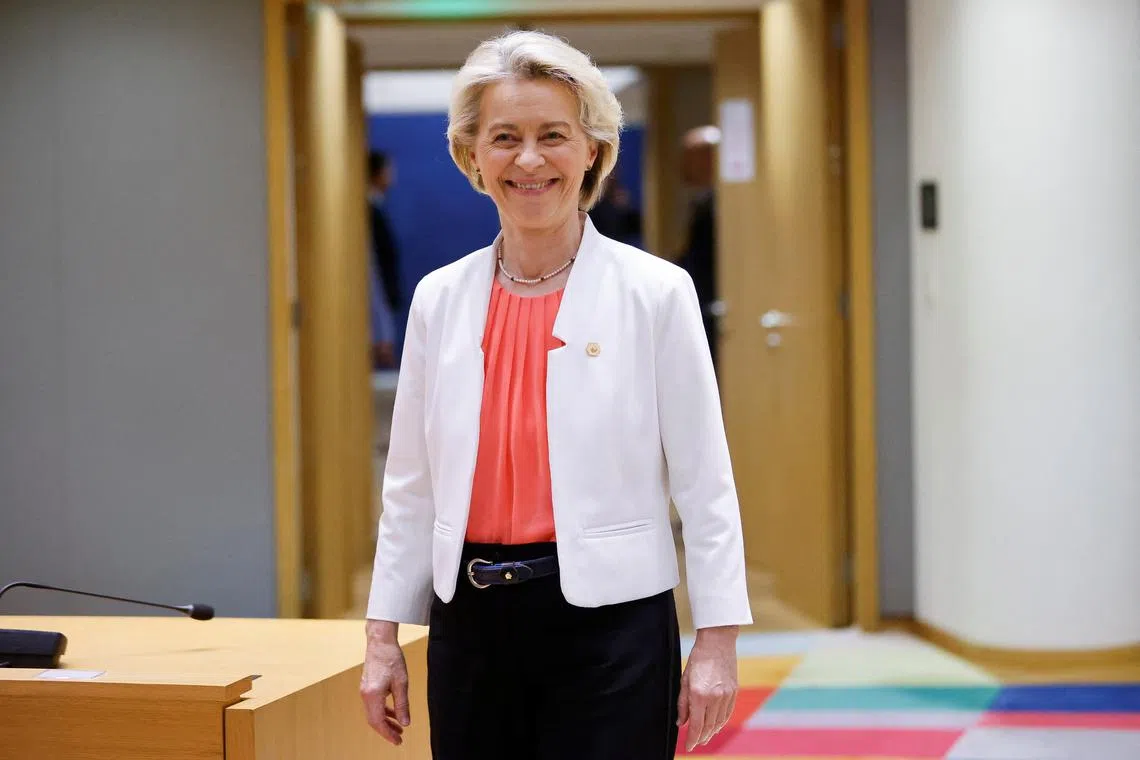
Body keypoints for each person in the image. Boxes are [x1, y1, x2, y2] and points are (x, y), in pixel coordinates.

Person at [360, 30, 752, 759]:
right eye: (504, 137)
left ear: (593, 150)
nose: (530, 159)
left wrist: (717, 643)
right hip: (469, 623)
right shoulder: (438, 299)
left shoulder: (656, 293)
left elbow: (706, 482)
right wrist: (382, 635)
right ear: (471, 156)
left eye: (553, 136)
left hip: (613, 626)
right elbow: (409, 488)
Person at [677, 125, 720, 375]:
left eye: (689, 157)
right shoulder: (702, 201)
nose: (683, 166)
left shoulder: (719, 206)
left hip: (711, 305)